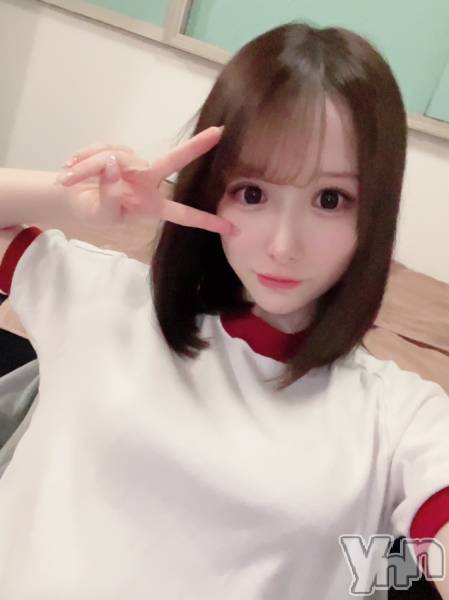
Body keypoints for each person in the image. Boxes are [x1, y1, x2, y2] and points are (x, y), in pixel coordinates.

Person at [0, 21, 448, 600]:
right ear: (210, 189)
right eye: (252, 193)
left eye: (330, 199)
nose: (283, 245)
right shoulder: (100, 296)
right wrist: (73, 200)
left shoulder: (397, 417)